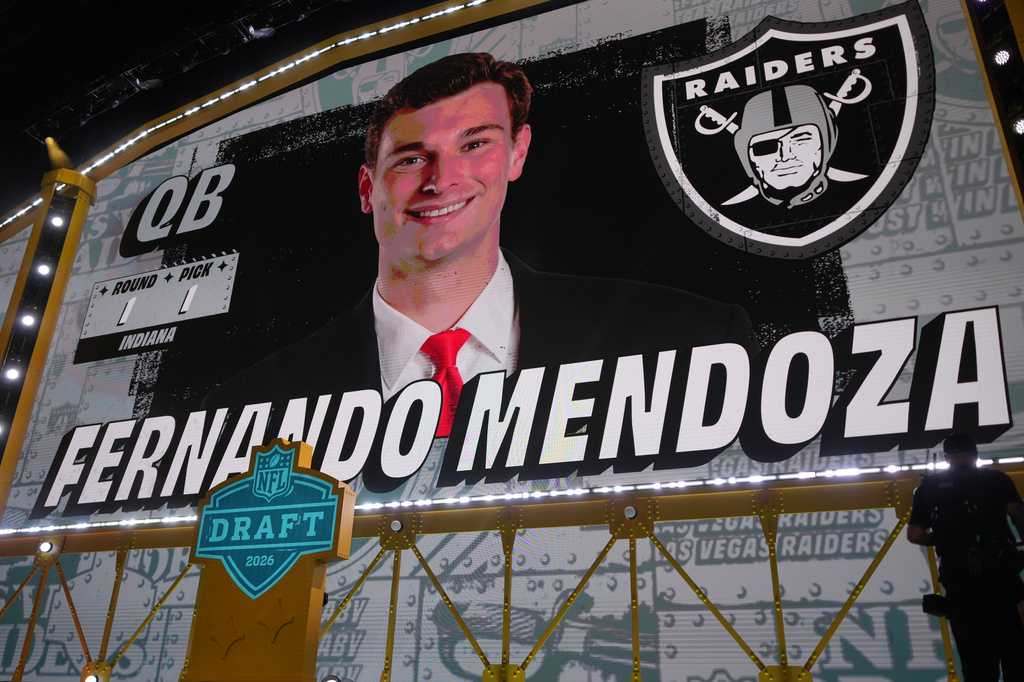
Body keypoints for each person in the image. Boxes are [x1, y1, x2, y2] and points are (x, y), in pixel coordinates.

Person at [206, 52, 753, 439]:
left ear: (518, 153)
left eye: (475, 144)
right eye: (412, 158)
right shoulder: (242, 408)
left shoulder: (693, 340)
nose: (442, 179)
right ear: (368, 189)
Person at [907, 434, 1024, 681]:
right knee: (1014, 654)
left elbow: (916, 535)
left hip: (960, 584)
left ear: (947, 457)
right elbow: (1018, 515)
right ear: (975, 454)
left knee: (976, 664)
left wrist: (942, 540)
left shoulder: (929, 487)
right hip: (1002, 579)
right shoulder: (997, 479)